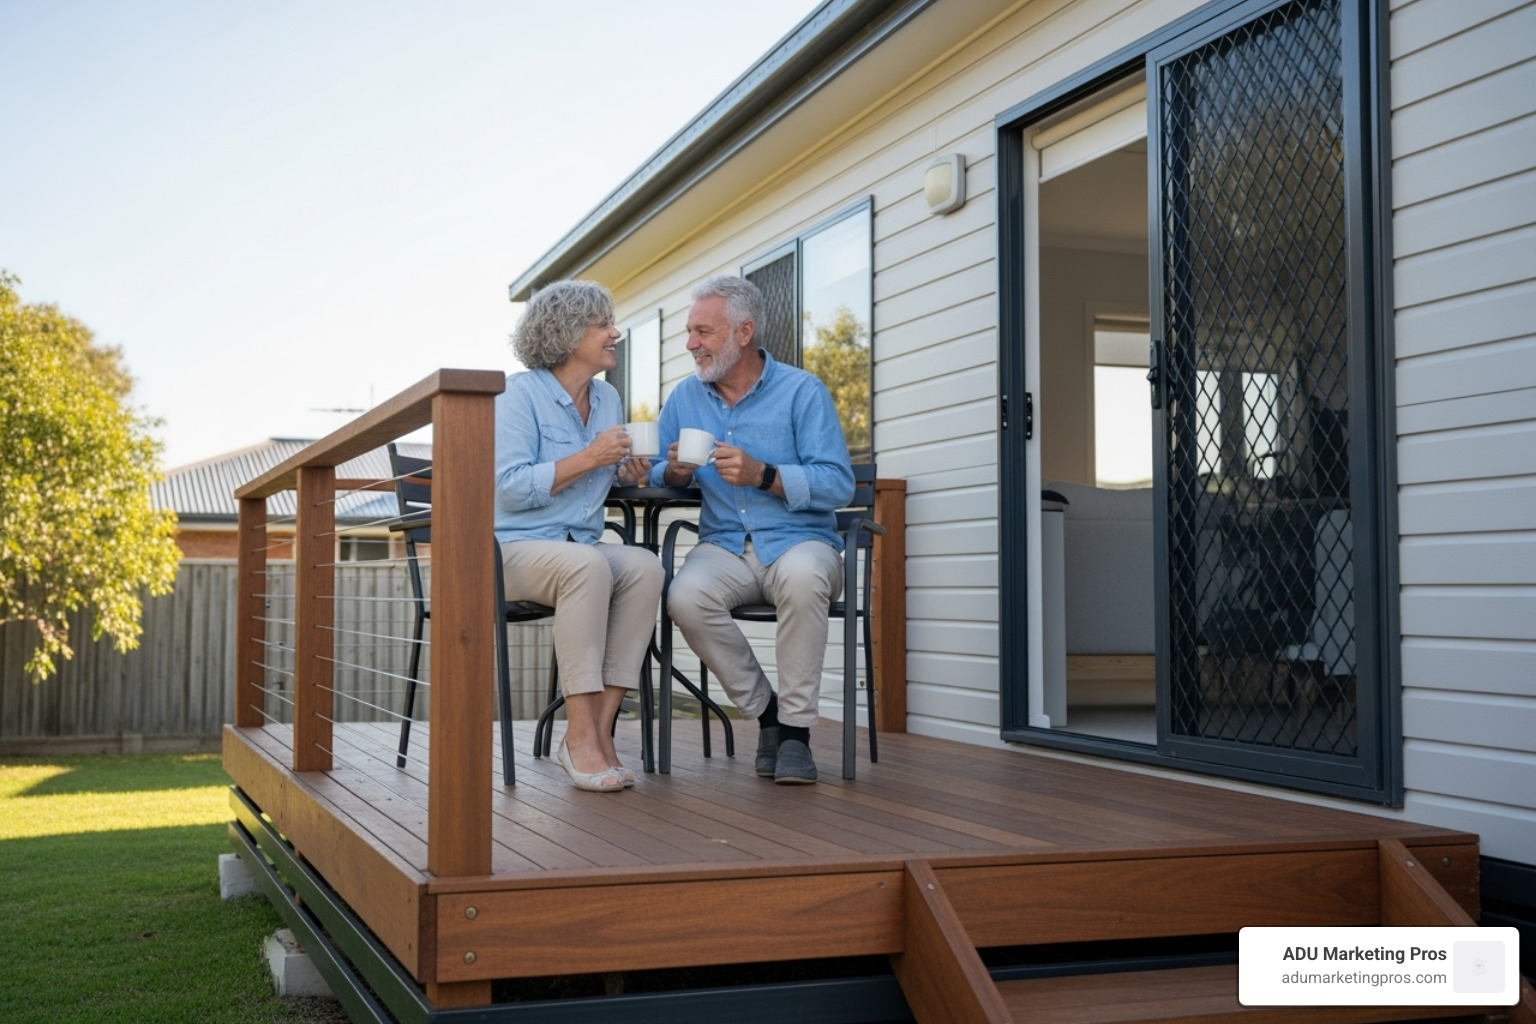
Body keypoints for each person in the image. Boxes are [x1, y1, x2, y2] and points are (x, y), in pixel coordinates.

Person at [651, 276, 854, 784]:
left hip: (800, 541)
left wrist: (766, 475)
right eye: (689, 332)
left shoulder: (802, 391)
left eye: (703, 332)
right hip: (723, 546)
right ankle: (770, 717)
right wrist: (674, 471)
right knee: (684, 596)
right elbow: (658, 471)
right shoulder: (683, 399)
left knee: (805, 577)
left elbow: (838, 485)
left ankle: (796, 736)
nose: (691, 344)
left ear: (744, 332)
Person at [497, 280, 663, 792]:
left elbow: (599, 481)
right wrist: (591, 457)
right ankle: (580, 736)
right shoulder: (516, 395)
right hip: (510, 550)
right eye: (603, 325)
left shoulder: (609, 397)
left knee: (644, 566)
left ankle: (597, 731)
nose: (616, 333)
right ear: (568, 334)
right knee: (587, 565)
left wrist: (626, 473)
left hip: (576, 549)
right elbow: (508, 488)